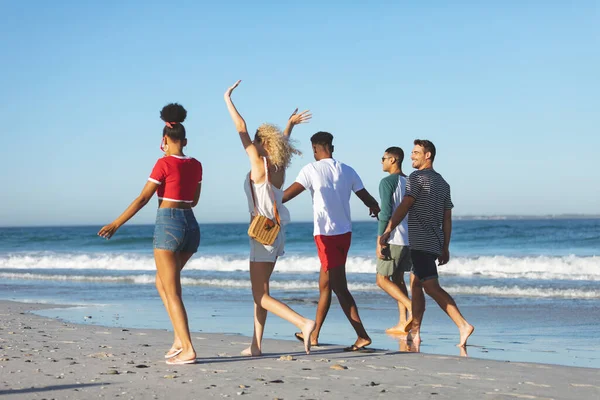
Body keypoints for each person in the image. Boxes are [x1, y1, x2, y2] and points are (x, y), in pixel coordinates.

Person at [98, 103, 202, 365]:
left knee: (172, 289)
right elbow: (194, 200)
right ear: (185, 140)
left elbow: (143, 198)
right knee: (162, 283)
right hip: (191, 224)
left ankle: (188, 348)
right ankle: (179, 339)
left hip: (168, 222)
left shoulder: (163, 163)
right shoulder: (197, 164)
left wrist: (116, 223)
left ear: (164, 140)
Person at [224, 80, 316, 355]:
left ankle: (303, 322)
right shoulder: (279, 166)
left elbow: (240, 127)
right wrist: (289, 125)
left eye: (255, 141)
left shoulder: (258, 162)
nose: (250, 144)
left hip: (261, 235)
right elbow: (282, 142)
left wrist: (227, 98)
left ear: (262, 143)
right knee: (260, 293)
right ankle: (256, 345)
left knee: (260, 295)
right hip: (276, 234)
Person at [283, 131, 380, 351]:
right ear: (332, 148)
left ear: (315, 149)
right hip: (345, 233)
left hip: (325, 235)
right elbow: (366, 197)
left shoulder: (311, 169)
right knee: (325, 284)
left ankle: (362, 336)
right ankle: (314, 334)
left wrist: (266, 196)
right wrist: (375, 208)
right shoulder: (347, 169)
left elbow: (286, 195)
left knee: (339, 286)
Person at [380, 139, 474, 347]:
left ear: (428, 155)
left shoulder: (416, 178)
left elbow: (405, 205)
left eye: (416, 153)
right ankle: (415, 332)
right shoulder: (443, 183)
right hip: (432, 242)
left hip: (420, 242)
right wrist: (445, 246)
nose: (412, 156)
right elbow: (447, 218)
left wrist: (388, 230)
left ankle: (463, 325)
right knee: (415, 286)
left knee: (431, 287)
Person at [376, 146, 413, 335]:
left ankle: (411, 308)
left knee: (381, 279)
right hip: (410, 239)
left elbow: (385, 212)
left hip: (394, 237)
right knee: (399, 280)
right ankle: (402, 322)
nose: (381, 162)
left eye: (383, 158)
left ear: (393, 160)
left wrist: (380, 239)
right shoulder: (410, 181)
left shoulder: (387, 182)